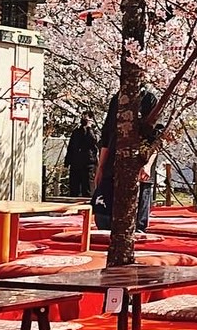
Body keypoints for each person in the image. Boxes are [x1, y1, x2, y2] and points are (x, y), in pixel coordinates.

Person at [92, 86, 162, 231]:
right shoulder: (116, 99)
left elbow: (156, 138)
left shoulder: (149, 99)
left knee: (135, 225)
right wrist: (101, 167)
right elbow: (107, 136)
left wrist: (147, 164)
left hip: (138, 166)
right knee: (103, 219)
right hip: (112, 166)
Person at [66, 115, 98, 199]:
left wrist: (89, 129)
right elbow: (71, 147)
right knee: (74, 187)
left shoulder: (93, 132)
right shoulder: (76, 132)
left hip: (88, 162)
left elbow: (94, 141)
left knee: (87, 186)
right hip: (76, 161)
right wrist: (67, 161)